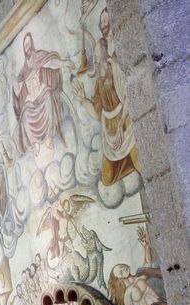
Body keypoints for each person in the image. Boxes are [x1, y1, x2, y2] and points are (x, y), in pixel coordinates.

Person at [72, 10, 141, 187]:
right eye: (94, 58)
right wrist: (82, 99)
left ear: (104, 54)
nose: (95, 61)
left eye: (97, 56)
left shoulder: (114, 69)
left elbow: (127, 97)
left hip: (125, 127)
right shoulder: (99, 83)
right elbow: (97, 113)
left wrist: (121, 125)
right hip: (109, 134)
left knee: (141, 163)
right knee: (107, 179)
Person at [12, 33, 75, 157]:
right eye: (25, 45)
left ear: (32, 44)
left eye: (29, 44)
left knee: (48, 96)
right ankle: (34, 142)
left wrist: (64, 63)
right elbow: (18, 91)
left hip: (41, 92)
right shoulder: (23, 71)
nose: (28, 47)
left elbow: (51, 63)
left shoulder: (39, 57)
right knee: (25, 115)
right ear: (24, 49)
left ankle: (48, 136)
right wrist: (13, 75)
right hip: (31, 100)